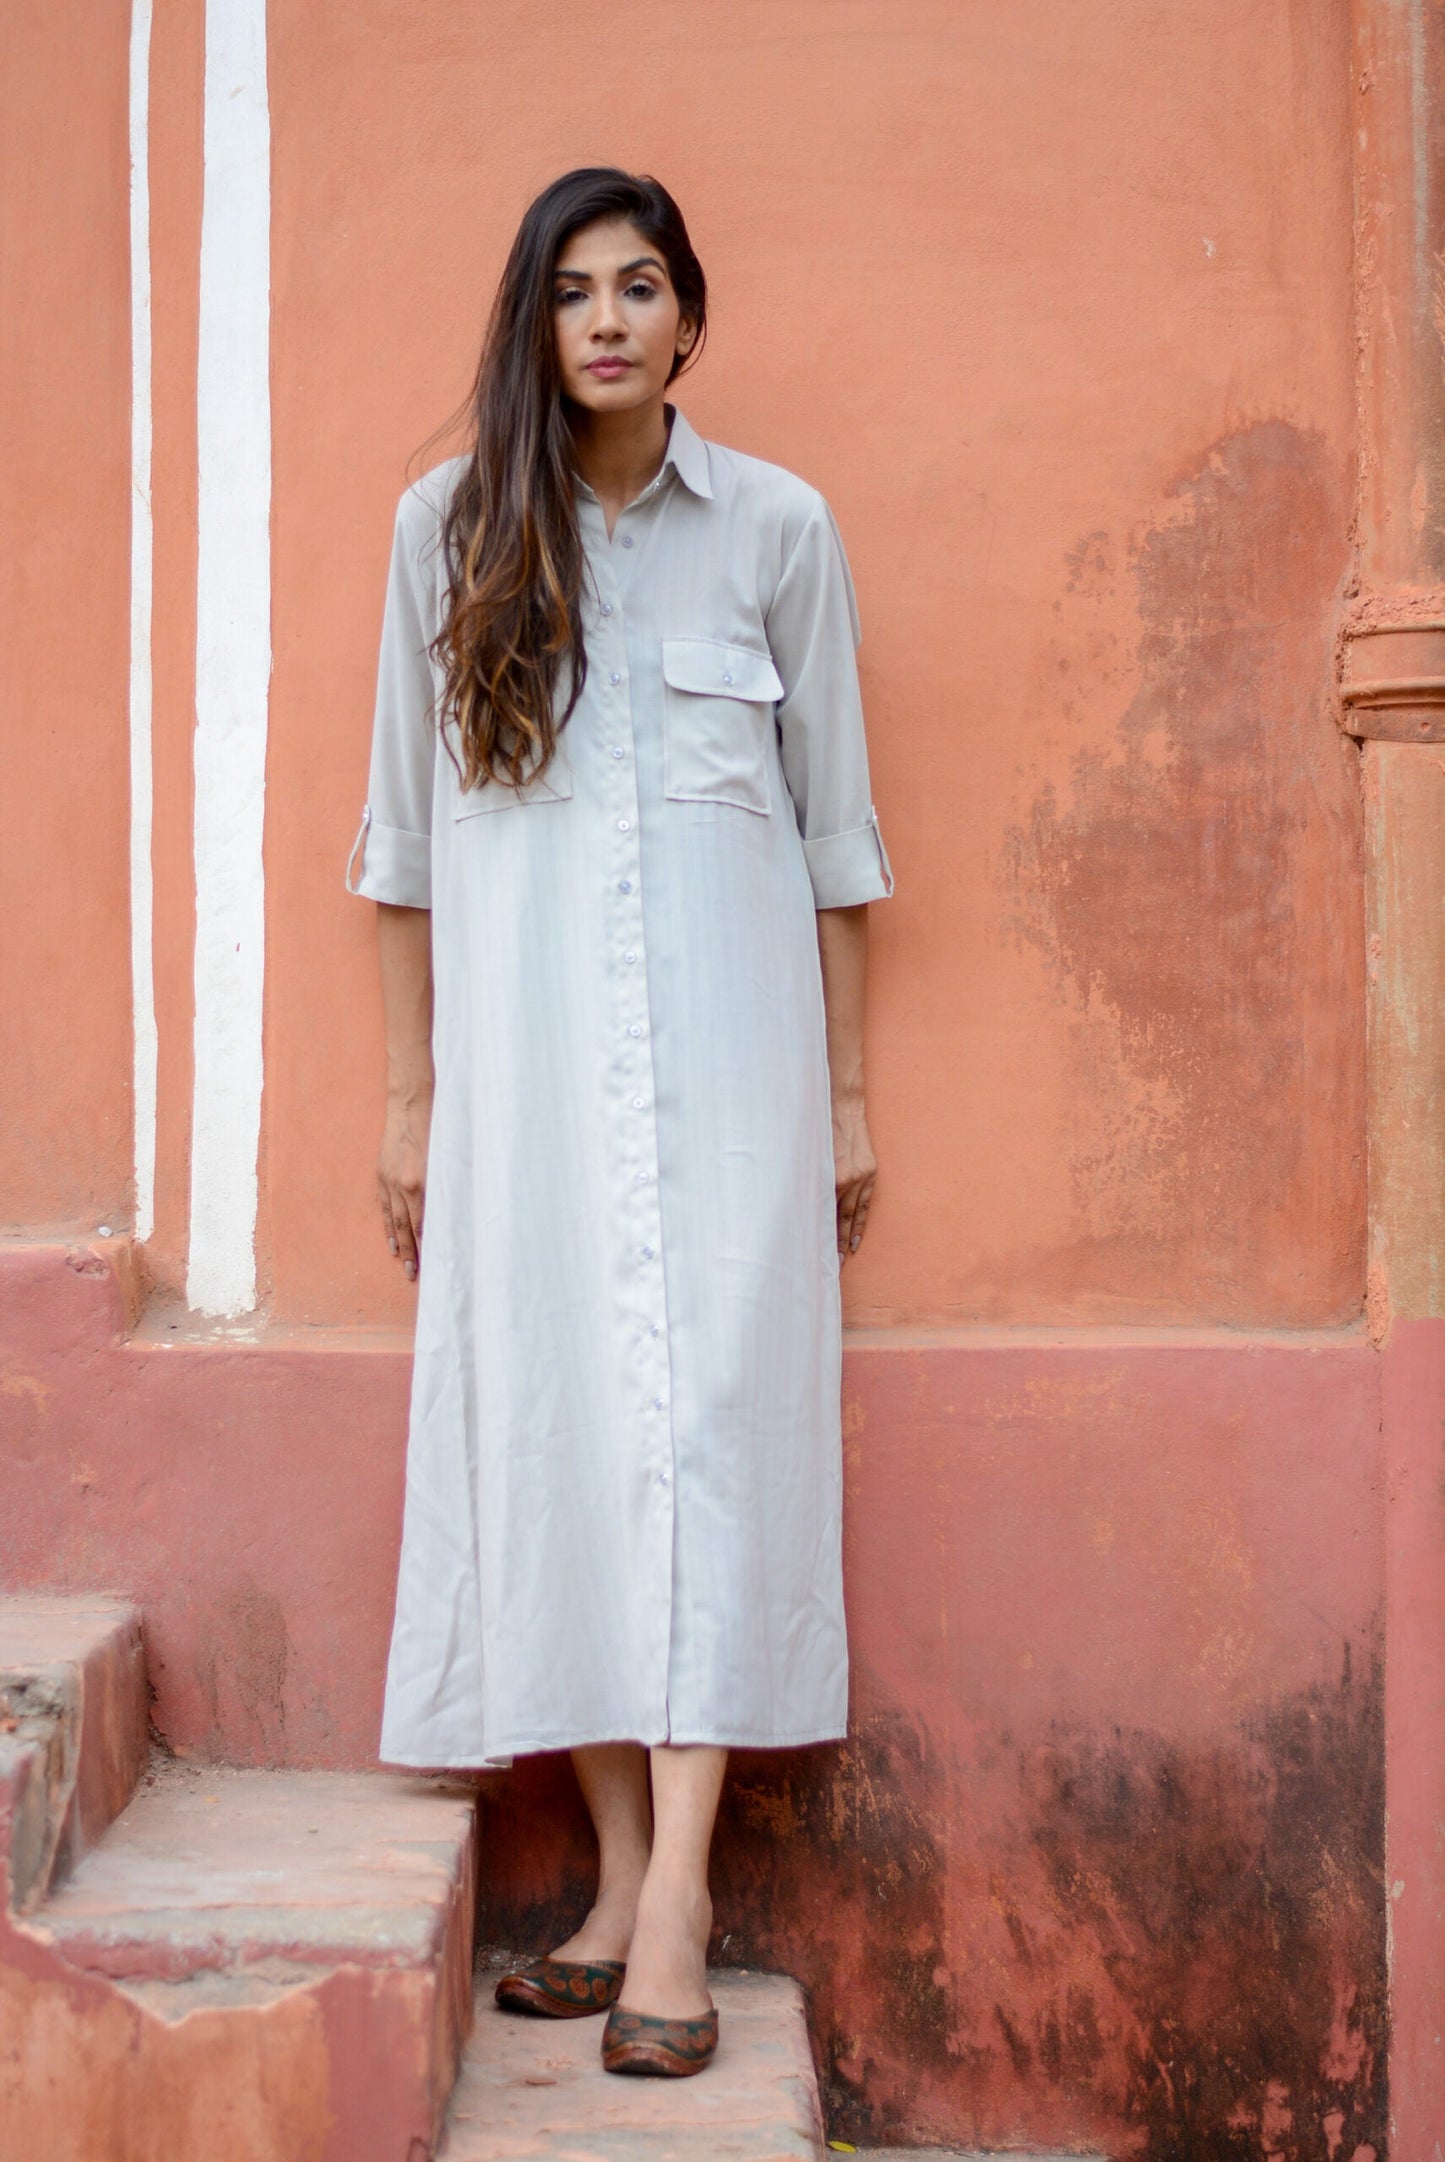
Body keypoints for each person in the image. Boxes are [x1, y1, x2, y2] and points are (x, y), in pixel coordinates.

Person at [345, 166, 893, 2078]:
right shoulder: (445, 534)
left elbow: (836, 839)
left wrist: (843, 1096)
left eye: (638, 285)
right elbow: (402, 848)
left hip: (734, 1078)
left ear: (687, 317)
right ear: (535, 321)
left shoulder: (778, 531)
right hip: (527, 1082)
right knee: (556, 1424)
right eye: (572, 289)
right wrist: (410, 1102)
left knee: (719, 1436)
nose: (605, 319)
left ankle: (676, 1902)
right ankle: (625, 1869)